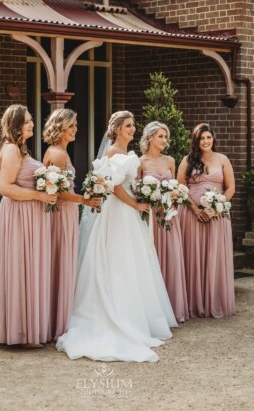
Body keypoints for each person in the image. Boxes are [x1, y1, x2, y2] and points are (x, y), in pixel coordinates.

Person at [56, 111, 177, 363]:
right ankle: (116, 315)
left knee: (133, 261)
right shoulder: (113, 152)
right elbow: (115, 187)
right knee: (117, 260)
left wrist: (145, 197)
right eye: (128, 125)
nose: (133, 129)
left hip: (130, 211)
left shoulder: (128, 154)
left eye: (133, 125)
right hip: (119, 212)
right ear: (117, 129)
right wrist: (135, 205)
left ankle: (136, 316)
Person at [0, 104, 57, 348]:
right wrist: (39, 196)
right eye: (28, 121)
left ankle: (29, 328)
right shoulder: (10, 149)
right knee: (21, 267)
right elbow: (6, 188)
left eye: (31, 120)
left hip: (30, 215)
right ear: (16, 124)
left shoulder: (20, 149)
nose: (32, 124)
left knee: (30, 267)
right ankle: (20, 331)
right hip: (20, 216)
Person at [43, 108, 100, 340]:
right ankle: (57, 321)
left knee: (63, 260)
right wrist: (85, 200)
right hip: (61, 213)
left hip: (66, 212)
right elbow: (60, 192)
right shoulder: (57, 154)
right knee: (61, 260)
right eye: (72, 126)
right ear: (61, 127)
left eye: (76, 126)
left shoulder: (60, 152)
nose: (76, 130)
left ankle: (58, 317)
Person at [177, 123, 235, 318]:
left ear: (213, 139)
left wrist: (218, 206)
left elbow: (230, 188)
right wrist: (195, 209)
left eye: (208, 137)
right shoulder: (188, 160)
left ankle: (214, 300)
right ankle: (195, 302)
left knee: (214, 254)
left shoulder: (223, 159)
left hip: (217, 215)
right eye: (202, 138)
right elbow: (180, 188)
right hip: (191, 215)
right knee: (194, 254)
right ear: (196, 140)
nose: (206, 141)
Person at [139, 121, 189, 322]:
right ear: (150, 137)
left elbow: (175, 186)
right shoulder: (140, 162)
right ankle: (154, 309)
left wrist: (176, 197)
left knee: (172, 256)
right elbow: (137, 191)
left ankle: (173, 307)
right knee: (153, 257)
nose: (164, 140)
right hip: (150, 216)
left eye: (165, 137)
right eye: (160, 136)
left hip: (169, 215)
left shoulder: (169, 160)